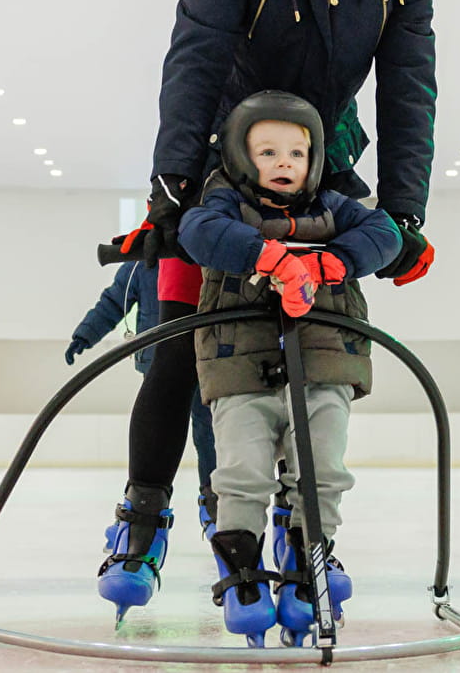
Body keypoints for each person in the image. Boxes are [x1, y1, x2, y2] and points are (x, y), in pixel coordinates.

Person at [99, 0, 438, 621]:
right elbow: (198, 44)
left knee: (315, 346)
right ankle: (144, 515)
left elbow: (408, 83)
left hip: (315, 167)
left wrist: (403, 211)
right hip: (219, 167)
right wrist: (176, 184)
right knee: (184, 342)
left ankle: (299, 519)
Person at [178, 91, 400, 646]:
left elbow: (385, 235)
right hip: (239, 363)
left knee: (322, 468)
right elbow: (197, 231)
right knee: (242, 472)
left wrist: (333, 260)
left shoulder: (334, 206)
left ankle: (310, 557)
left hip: (324, 360)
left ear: (315, 159)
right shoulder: (224, 205)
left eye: (296, 153)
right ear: (239, 157)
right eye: (267, 152)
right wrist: (266, 255)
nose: (283, 163)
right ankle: (242, 570)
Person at [64, 261, 217, 542]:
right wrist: (85, 334)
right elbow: (112, 303)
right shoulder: (138, 267)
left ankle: (215, 506)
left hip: (208, 362)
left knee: (210, 435)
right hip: (160, 365)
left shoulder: (205, 258)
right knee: (153, 441)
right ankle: (139, 514)